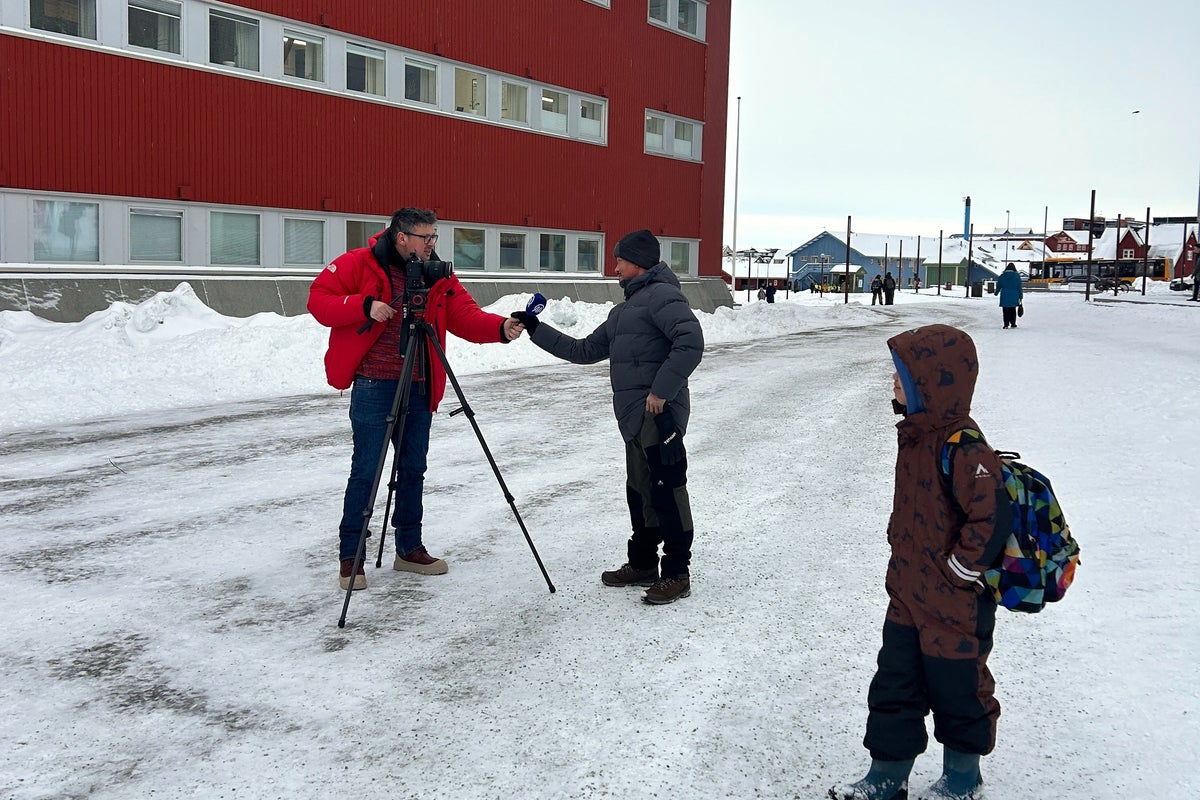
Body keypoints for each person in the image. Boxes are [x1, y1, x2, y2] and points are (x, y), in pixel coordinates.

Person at [830, 324, 1008, 800]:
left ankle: (962, 779)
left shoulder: (964, 445)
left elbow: (991, 517)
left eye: (903, 375)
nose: (893, 381)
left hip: (955, 603)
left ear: (933, 382)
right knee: (895, 685)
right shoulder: (916, 435)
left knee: (959, 688)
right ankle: (887, 777)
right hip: (908, 595)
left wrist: (961, 570)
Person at [308, 208, 524, 590]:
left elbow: (465, 315)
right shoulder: (359, 263)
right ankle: (351, 556)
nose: (431, 244)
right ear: (401, 237)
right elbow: (318, 300)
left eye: (434, 237)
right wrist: (364, 305)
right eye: (426, 237)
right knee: (366, 471)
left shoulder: (437, 273)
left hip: (419, 384)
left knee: (413, 469)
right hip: (374, 385)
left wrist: (501, 328)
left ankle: (409, 548)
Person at [510, 229, 704, 605]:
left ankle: (677, 572)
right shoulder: (623, 311)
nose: (613, 267)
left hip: (660, 414)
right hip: (634, 418)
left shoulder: (663, 296)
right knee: (640, 491)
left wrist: (661, 391)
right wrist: (535, 328)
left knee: (667, 491)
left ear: (639, 262)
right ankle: (644, 563)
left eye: (620, 260)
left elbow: (690, 342)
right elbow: (583, 350)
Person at [994, 263, 1023, 329]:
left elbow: (998, 286)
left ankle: (1006, 324)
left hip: (1004, 295)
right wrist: (1021, 295)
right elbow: (1019, 287)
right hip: (1014, 295)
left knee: (1005, 310)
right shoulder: (1017, 276)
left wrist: (996, 292)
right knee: (1013, 309)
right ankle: (1013, 323)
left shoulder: (1002, 276)